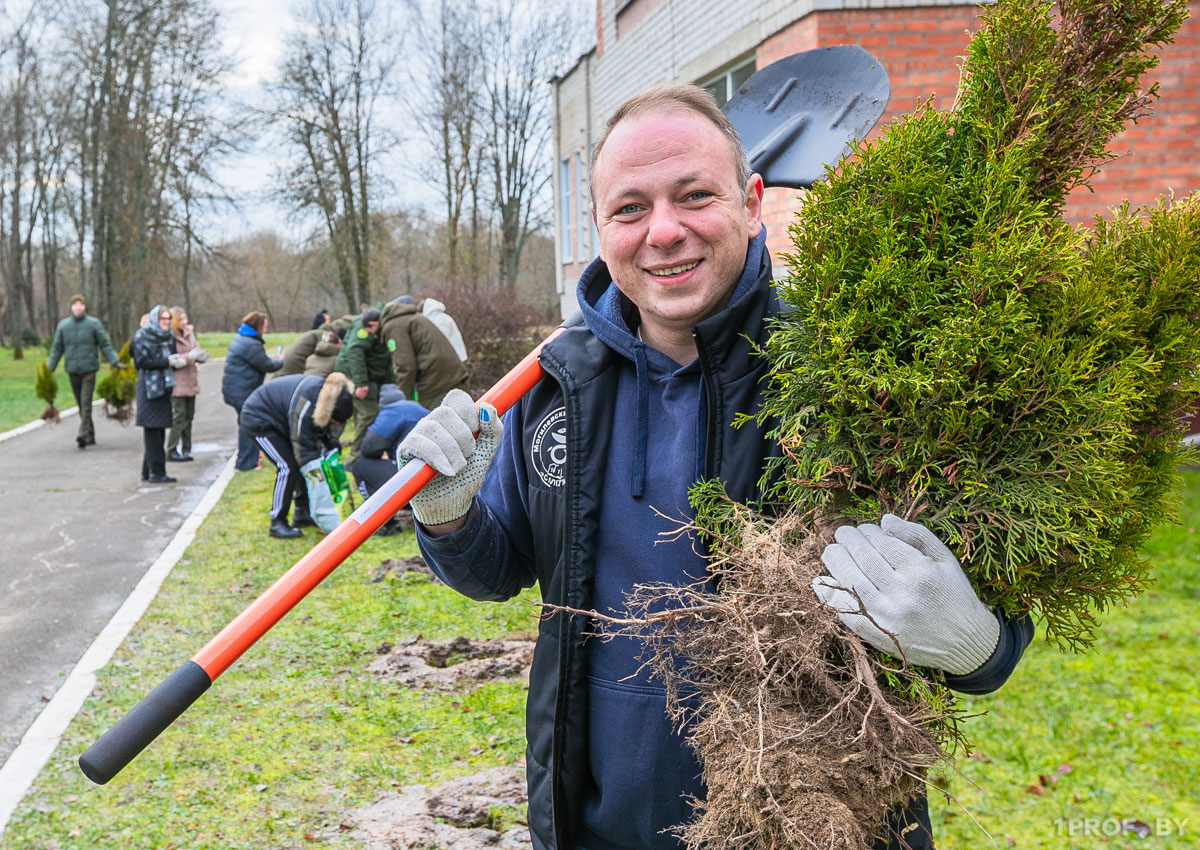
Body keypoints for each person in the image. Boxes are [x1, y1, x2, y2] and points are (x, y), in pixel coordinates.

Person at [397, 86, 1034, 850]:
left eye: (694, 196)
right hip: (600, 825)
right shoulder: (555, 384)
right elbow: (495, 571)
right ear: (601, 230)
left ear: (752, 201)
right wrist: (448, 513)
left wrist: (974, 644)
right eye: (629, 209)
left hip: (818, 822)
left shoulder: (852, 377)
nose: (663, 232)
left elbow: (993, 621)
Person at [240, 372, 355, 538]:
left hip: (281, 420)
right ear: (329, 413)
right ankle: (277, 521)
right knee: (287, 467)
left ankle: (302, 512)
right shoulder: (308, 405)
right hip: (259, 419)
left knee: (297, 464)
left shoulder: (327, 399)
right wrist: (317, 473)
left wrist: (331, 447)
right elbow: (304, 446)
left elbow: (320, 434)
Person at [45, 294, 120, 449]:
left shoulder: (93, 324)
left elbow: (104, 344)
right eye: (75, 305)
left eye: (81, 305)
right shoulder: (63, 326)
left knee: (86, 403)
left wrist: (115, 361)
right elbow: (57, 349)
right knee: (81, 404)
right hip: (72, 370)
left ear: (84, 307)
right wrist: (49, 369)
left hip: (89, 370)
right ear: (71, 307)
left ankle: (82, 433)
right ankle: (90, 434)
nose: (78, 307)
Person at [378, 296, 467, 409]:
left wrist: (402, 402)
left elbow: (405, 367)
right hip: (452, 374)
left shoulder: (393, 326)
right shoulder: (412, 318)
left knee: (433, 422)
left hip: (435, 381)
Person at [221, 311, 283, 471]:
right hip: (241, 391)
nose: (266, 329)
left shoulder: (243, 339)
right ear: (258, 326)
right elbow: (266, 365)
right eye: (265, 326)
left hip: (235, 389)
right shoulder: (251, 344)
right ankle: (246, 463)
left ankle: (251, 455)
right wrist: (280, 361)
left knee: (246, 422)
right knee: (248, 424)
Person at [131, 305, 185, 483]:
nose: (166, 323)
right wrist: (166, 361)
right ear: (155, 319)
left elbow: (172, 355)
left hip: (164, 386)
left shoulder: (168, 336)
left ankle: (148, 470)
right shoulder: (142, 336)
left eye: (168, 319)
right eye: (163, 319)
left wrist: (180, 360)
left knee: (158, 430)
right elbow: (141, 362)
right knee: (153, 430)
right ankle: (157, 472)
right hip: (148, 389)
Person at [333, 307, 393, 466]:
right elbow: (354, 350)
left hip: (366, 376)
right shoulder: (364, 326)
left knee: (363, 416)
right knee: (368, 414)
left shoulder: (374, 322)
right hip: (356, 377)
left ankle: (359, 457)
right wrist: (360, 383)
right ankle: (354, 460)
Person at [167, 307, 209, 462]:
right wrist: (188, 357)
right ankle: (171, 449)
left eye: (185, 319)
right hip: (177, 382)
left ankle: (187, 448)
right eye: (181, 319)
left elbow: (195, 350)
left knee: (189, 417)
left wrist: (200, 356)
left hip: (191, 379)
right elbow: (171, 360)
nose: (185, 322)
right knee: (179, 417)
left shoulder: (190, 334)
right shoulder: (170, 338)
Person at [420, 297, 468, 363]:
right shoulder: (440, 317)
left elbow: (441, 340)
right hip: (453, 356)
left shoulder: (440, 320)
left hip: (453, 357)